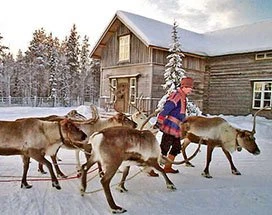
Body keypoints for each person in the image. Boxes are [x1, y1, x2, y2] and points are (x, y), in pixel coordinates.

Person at [156, 77, 194, 173]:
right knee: (164, 148)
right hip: (170, 126)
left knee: (176, 147)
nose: (191, 90)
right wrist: (159, 121)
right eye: (190, 87)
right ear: (184, 86)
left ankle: (167, 167)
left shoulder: (183, 97)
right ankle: (152, 168)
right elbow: (166, 109)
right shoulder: (176, 96)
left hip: (177, 127)